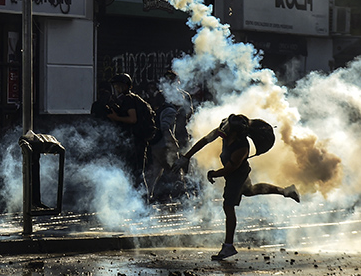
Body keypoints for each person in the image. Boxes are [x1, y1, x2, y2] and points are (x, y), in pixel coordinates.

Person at [172, 114, 300, 260]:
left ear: (236, 132)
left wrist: (213, 174)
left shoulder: (241, 147)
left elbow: (229, 170)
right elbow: (204, 141)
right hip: (238, 172)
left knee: (228, 206)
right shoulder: (225, 133)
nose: (223, 129)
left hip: (237, 176)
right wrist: (186, 157)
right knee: (250, 190)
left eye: (228, 127)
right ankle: (286, 191)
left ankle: (228, 246)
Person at [106, 73, 154, 186]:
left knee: (136, 172)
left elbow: (132, 119)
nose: (117, 89)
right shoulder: (131, 99)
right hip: (135, 140)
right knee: (135, 171)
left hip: (135, 141)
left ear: (127, 86)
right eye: (116, 86)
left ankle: (140, 199)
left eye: (119, 86)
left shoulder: (128, 99)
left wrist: (116, 118)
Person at [146, 91, 184, 202]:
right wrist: (173, 142)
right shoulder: (170, 111)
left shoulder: (162, 109)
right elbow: (165, 127)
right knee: (175, 171)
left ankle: (148, 195)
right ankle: (181, 198)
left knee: (155, 173)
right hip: (165, 147)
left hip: (156, 145)